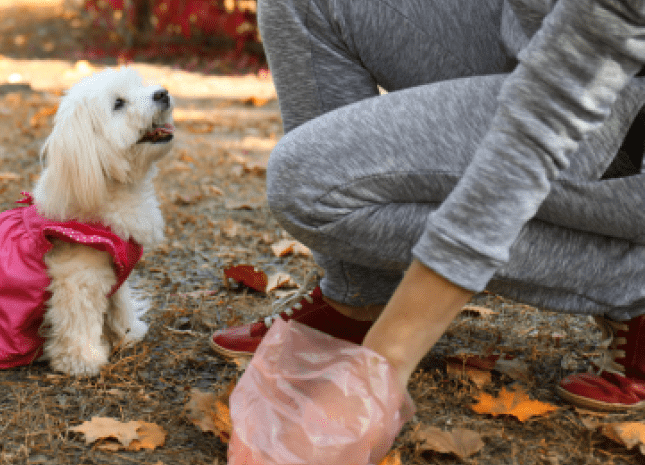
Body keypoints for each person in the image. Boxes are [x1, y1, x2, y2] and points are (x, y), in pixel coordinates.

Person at [212, 0, 645, 433]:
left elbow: (546, 120)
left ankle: (633, 281)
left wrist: (385, 363)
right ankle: (358, 296)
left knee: (306, 182)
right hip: (535, 36)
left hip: (611, 91)